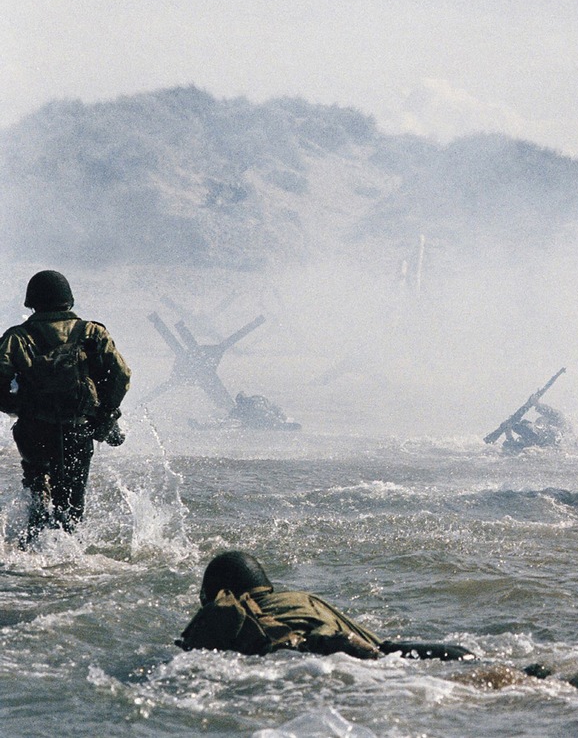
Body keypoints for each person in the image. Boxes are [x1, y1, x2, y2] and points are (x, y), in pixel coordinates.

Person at [0, 271, 131, 544]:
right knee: (72, 505)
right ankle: (68, 557)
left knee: (37, 493)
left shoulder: (17, 337)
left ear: (31, 302)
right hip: (77, 430)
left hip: (33, 431)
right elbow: (121, 375)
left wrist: (17, 407)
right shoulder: (92, 333)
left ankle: (33, 550)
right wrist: (105, 414)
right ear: (68, 301)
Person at [177, 550, 475, 661]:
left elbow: (188, 651)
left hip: (314, 656)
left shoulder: (223, 610)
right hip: (361, 648)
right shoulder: (303, 599)